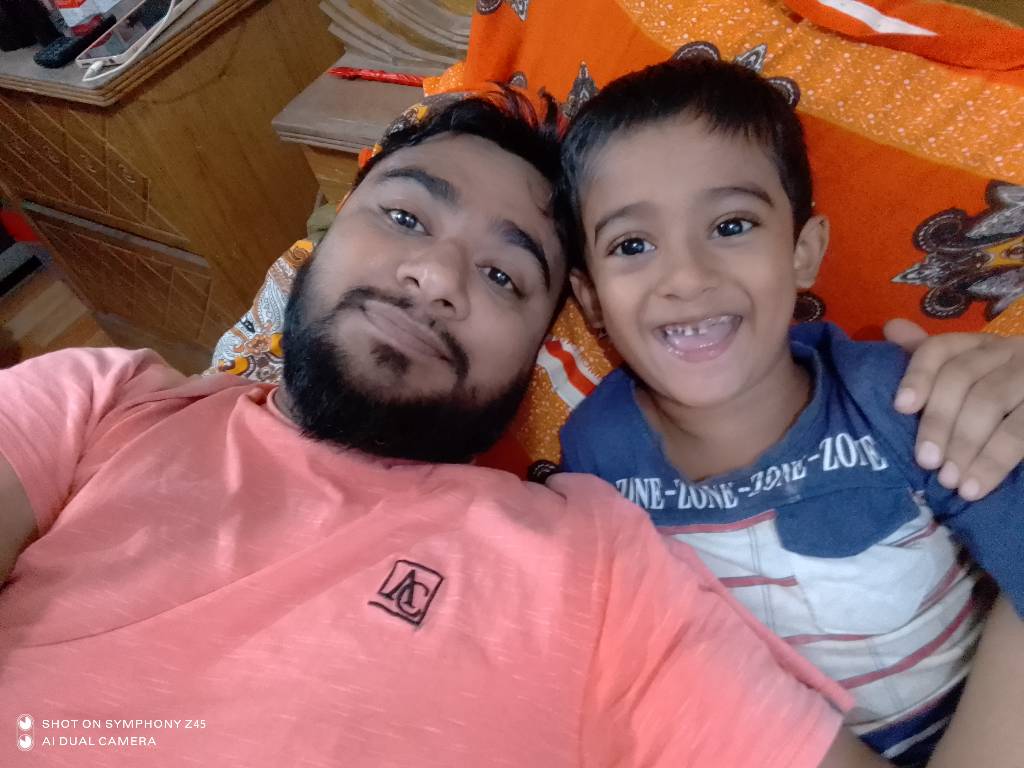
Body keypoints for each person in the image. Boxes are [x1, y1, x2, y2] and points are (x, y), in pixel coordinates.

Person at [0, 88, 1017, 768]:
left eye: (503, 274)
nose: (435, 277)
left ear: (548, 338)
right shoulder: (97, 403)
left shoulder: (595, 560)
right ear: (324, 235)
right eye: (405, 216)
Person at [558, 57, 1024, 768]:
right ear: (591, 299)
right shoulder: (596, 454)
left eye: (731, 225)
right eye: (633, 245)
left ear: (804, 252)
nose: (686, 276)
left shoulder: (897, 398)